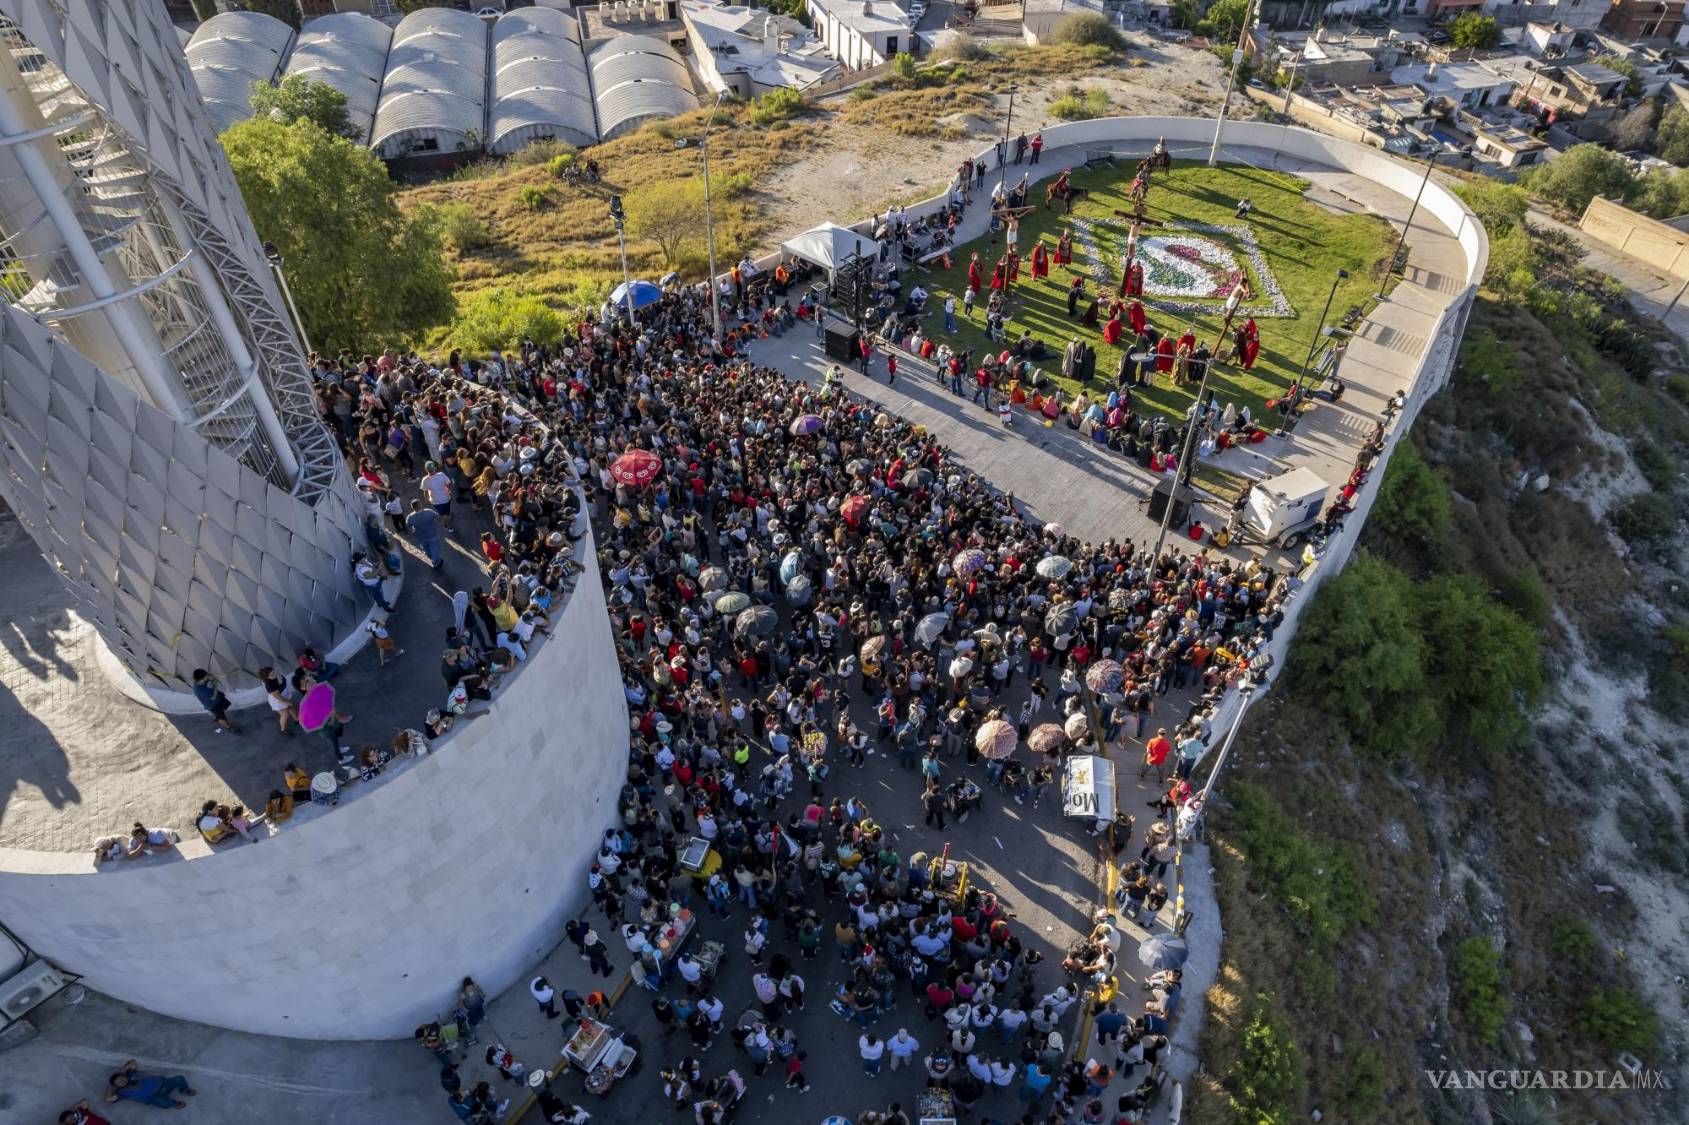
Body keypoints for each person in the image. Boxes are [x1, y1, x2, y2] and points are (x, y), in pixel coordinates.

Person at [104, 1061, 195, 1109]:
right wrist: (111, 1086)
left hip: (163, 1084)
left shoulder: (130, 1073)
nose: (122, 1081)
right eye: (119, 1083)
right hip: (154, 1097)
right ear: (117, 1086)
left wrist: (121, 1071)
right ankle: (173, 1103)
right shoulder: (121, 1093)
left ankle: (183, 1090)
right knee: (165, 1103)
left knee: (180, 1079)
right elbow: (108, 1099)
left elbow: (133, 1062)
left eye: (121, 1079)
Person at [190, 669, 236, 734]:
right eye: (206, 676)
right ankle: (229, 728)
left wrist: (212, 681)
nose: (207, 677)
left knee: (225, 706)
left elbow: (209, 682)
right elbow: (213, 697)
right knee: (221, 717)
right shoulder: (200, 690)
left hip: (219, 698)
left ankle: (215, 715)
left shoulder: (201, 681)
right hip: (213, 705)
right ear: (202, 679)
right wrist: (215, 686)